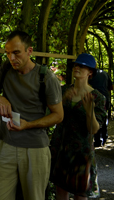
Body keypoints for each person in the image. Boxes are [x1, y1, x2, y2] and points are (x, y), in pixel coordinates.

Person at [0, 30, 63, 200]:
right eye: (7, 53)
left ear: (29, 51)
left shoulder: (46, 77)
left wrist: (28, 124)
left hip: (35, 148)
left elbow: (58, 115)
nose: (11, 58)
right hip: (6, 144)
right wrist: (0, 99)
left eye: (16, 52)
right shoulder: (6, 68)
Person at [50, 53, 106, 199]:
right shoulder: (63, 91)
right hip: (61, 148)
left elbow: (93, 129)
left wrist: (89, 112)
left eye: (82, 66)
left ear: (90, 72)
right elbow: (52, 117)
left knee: (81, 195)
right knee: (60, 192)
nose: (77, 67)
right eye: (76, 65)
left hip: (82, 153)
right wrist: (62, 101)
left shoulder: (98, 98)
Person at [88, 69, 113, 147]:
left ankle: (97, 140)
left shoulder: (89, 74)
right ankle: (104, 138)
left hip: (94, 98)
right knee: (103, 117)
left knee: (95, 118)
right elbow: (111, 87)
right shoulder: (105, 73)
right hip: (105, 98)